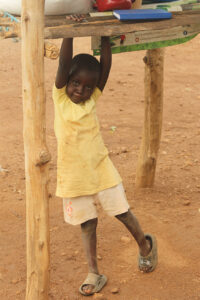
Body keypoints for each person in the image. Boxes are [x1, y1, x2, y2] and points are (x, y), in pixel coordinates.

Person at [53, 32, 158, 296]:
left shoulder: (92, 99)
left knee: (121, 211)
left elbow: (105, 67)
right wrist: (68, 32)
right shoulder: (61, 98)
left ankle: (145, 246)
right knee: (87, 223)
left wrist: (105, 39)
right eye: (76, 83)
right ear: (67, 80)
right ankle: (94, 272)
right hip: (73, 176)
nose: (81, 90)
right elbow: (64, 63)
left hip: (101, 170)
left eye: (89, 86)